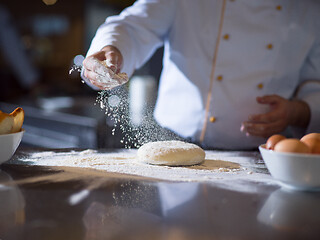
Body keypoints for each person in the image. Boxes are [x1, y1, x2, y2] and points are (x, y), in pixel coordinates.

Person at [82, 0, 320, 150]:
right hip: (171, 142)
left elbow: (315, 83)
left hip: (262, 154)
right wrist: (110, 49)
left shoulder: (310, 9)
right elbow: (132, 26)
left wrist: (298, 111)